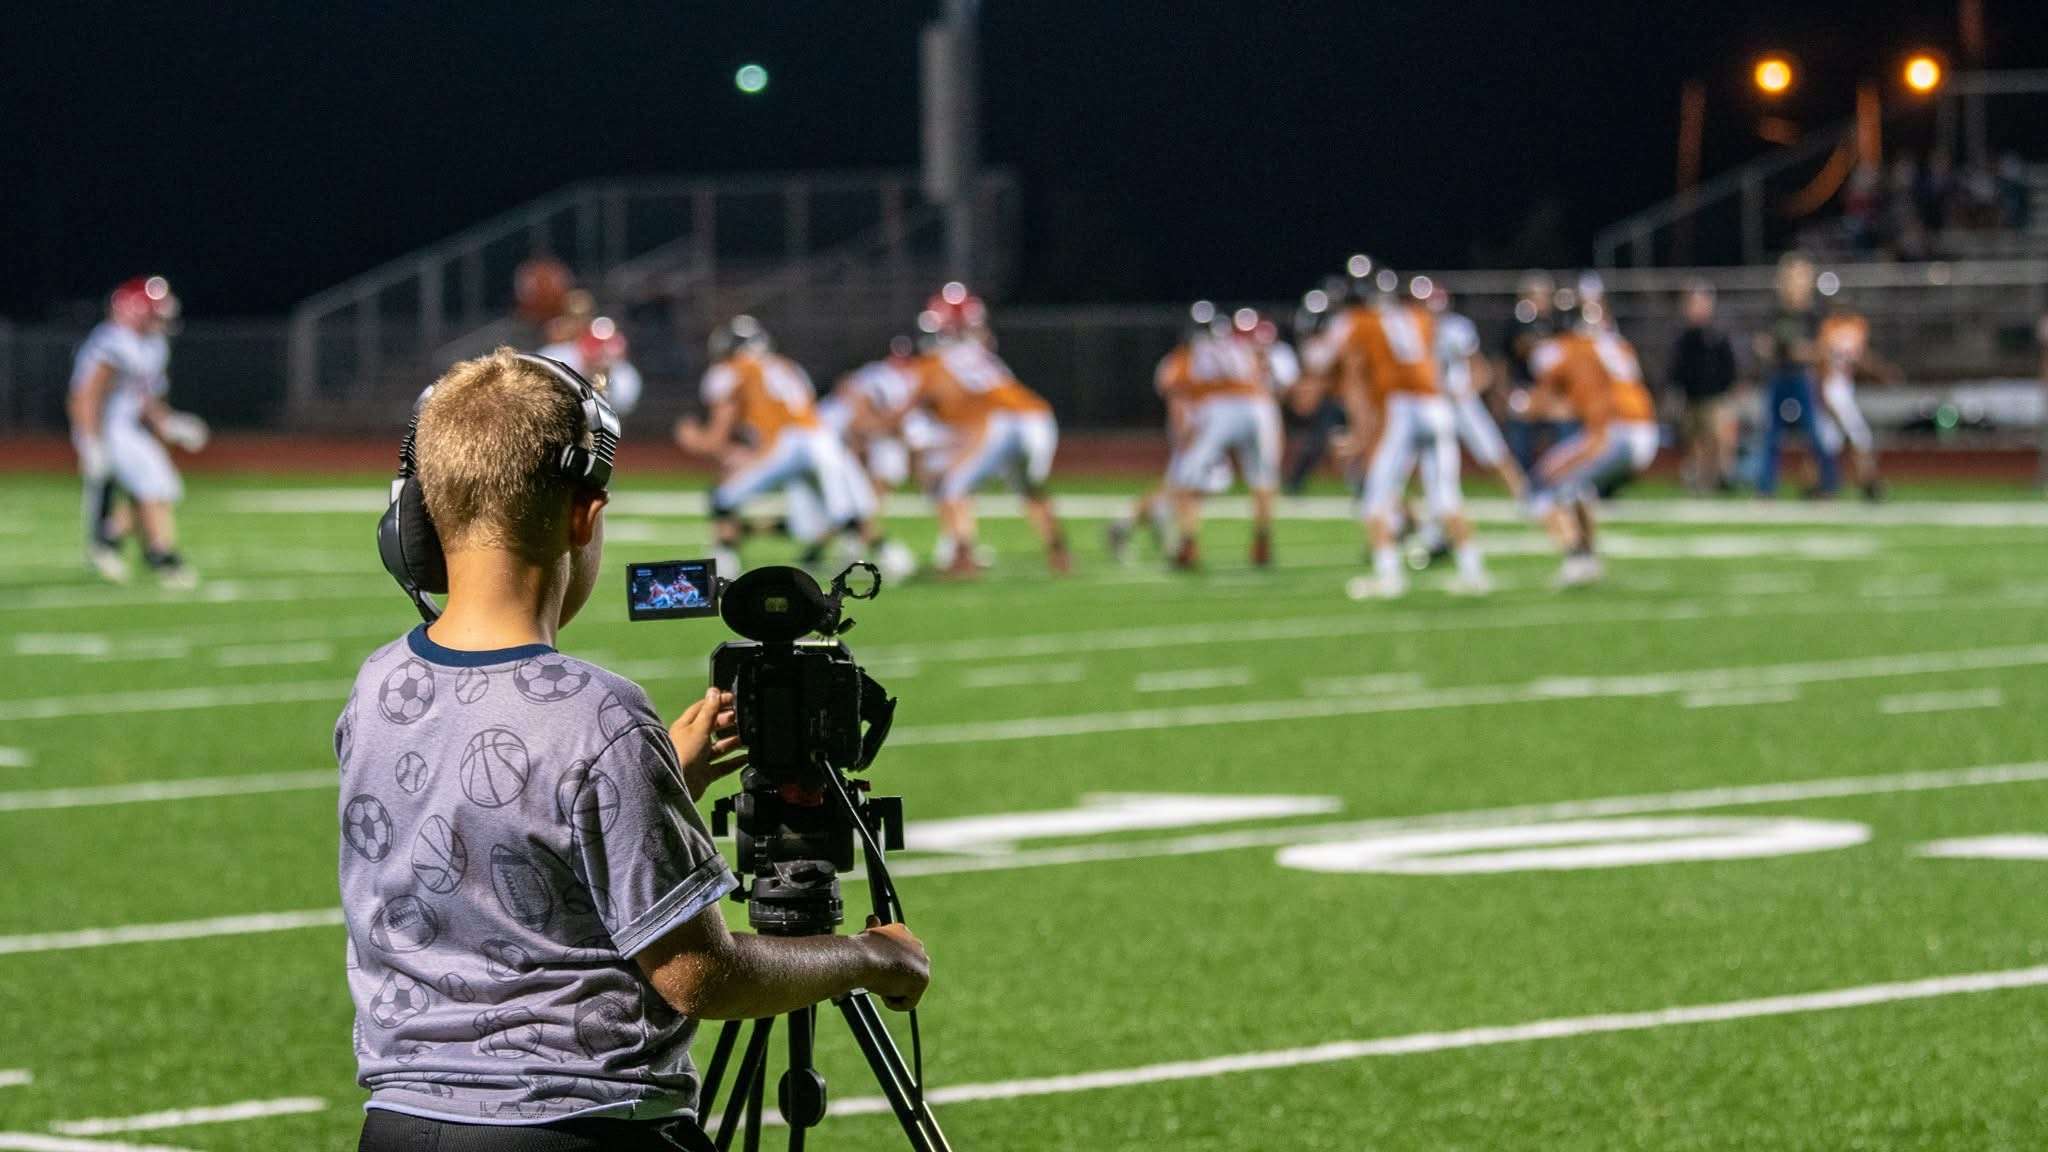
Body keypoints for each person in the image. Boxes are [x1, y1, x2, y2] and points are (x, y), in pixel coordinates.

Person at [341, 349, 929, 1152]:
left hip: (402, 1126)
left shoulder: (376, 685)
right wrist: (866, 957)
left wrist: (657, 785)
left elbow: (482, 842)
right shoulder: (600, 717)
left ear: (415, 517)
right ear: (585, 516)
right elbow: (699, 976)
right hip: (581, 1126)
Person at [1308, 266, 1488, 599]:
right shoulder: (1417, 316)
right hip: (1436, 406)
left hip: (1402, 409)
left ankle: (1389, 577)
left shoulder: (1358, 321)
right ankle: (1473, 573)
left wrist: (1362, 432)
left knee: (1375, 499)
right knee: (1447, 497)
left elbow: (1324, 361)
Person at [675, 316, 882, 575]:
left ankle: (724, 559)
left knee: (723, 497)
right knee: (840, 508)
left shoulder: (731, 370)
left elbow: (717, 437)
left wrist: (693, 438)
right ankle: (870, 555)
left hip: (787, 443)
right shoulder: (787, 366)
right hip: (821, 438)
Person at [901, 287, 1071, 577]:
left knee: (952, 485)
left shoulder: (936, 363)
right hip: (1038, 417)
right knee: (1030, 488)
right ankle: (1060, 553)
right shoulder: (982, 355)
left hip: (1000, 422)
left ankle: (963, 558)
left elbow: (975, 410)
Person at [68, 276, 207, 588]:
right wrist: (90, 442)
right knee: (153, 485)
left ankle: (109, 537)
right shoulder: (113, 341)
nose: (160, 319)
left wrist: (170, 424)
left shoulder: (154, 345)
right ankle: (162, 555)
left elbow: (146, 399)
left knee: (161, 486)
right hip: (108, 428)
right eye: (154, 312)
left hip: (128, 427)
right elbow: (86, 396)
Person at [1528, 318, 1659, 587]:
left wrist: (1524, 405)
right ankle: (1585, 558)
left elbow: (1546, 384)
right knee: (1571, 486)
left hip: (1617, 432)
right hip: (1640, 429)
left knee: (1552, 486)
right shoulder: (1615, 346)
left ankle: (1578, 558)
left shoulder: (1574, 349)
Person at [1150, 305, 1283, 569]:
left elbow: (1180, 398)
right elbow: (1265, 376)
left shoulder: (1190, 354)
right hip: (1260, 406)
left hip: (1221, 407)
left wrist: (1185, 435)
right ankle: (1262, 539)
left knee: (1187, 478)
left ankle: (1188, 541)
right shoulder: (1241, 345)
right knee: (1263, 479)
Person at [1424, 280, 1525, 503]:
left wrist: (1467, 390)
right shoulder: (1413, 325)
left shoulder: (1456, 328)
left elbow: (1482, 370)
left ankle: (1526, 499)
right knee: (1422, 457)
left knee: (1493, 451)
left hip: (1459, 400)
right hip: (1430, 401)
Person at [1753, 252, 1839, 498]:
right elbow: (1763, 342)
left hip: (1802, 378)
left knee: (1813, 432)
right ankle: (1766, 488)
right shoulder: (1776, 312)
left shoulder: (1814, 313)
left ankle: (1828, 484)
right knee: (1770, 434)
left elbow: (1823, 349)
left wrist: (1805, 353)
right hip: (1778, 376)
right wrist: (1766, 348)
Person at [1666, 282, 1739, 494]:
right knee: (1694, 441)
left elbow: (1729, 366)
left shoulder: (1717, 336)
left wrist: (1727, 389)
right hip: (1691, 398)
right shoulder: (1683, 338)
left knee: (1715, 439)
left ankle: (1717, 478)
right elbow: (1676, 369)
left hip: (1714, 397)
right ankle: (1699, 480)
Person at [1815, 302, 1887, 502]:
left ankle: (1821, 486)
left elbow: (1858, 359)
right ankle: (1870, 484)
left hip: (1840, 386)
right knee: (1859, 436)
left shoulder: (1847, 327)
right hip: (1834, 388)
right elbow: (1822, 361)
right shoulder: (1837, 328)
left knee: (1829, 440)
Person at [539, 316, 643, 420]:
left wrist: (606, 380)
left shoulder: (626, 376)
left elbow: (619, 410)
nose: (598, 355)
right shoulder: (558, 356)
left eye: (604, 353)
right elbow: (541, 393)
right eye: (593, 345)